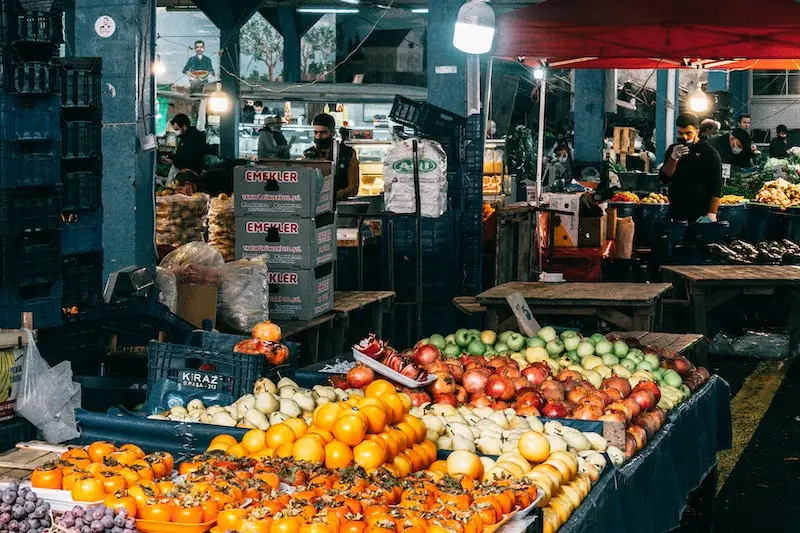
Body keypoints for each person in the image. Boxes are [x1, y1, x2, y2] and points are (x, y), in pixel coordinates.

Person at [659, 113, 722, 223]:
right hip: (676, 209)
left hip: (700, 211)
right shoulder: (672, 149)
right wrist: (673, 158)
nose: (684, 137)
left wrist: (712, 213)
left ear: (697, 132)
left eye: (688, 133)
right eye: (680, 133)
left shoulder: (709, 152)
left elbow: (716, 185)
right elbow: (665, 178)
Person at [303, 113, 359, 201]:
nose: (318, 137)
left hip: (340, 204)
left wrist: (336, 195)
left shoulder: (347, 153)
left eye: (323, 133)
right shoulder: (308, 154)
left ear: (332, 133)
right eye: (316, 132)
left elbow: (353, 186)